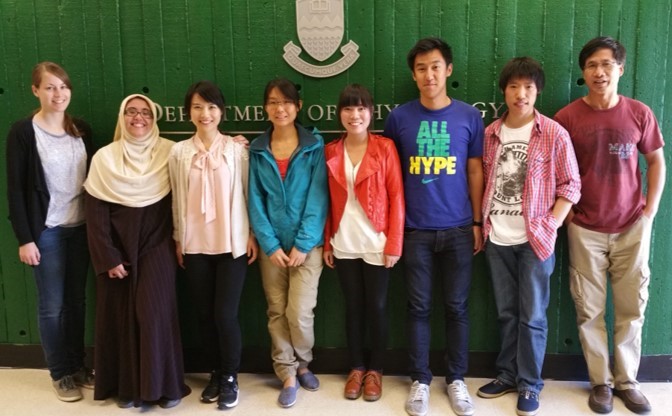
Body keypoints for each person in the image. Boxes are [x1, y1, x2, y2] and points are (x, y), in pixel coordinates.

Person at [555, 36, 666, 415]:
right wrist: (567, 214)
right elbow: (554, 168)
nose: (599, 72)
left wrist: (649, 212)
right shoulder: (567, 118)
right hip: (584, 227)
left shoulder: (639, 113)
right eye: (591, 66)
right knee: (589, 309)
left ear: (620, 69)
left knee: (632, 306)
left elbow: (656, 161)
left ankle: (628, 381)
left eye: (606, 65)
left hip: (632, 225)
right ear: (583, 73)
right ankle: (600, 383)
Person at [383, 37, 484, 416]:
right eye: (422, 68)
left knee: (457, 307)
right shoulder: (399, 118)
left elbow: (475, 170)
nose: (429, 74)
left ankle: (456, 379)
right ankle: (420, 380)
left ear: (449, 70)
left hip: (459, 229)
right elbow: (389, 174)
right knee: (418, 307)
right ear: (414, 74)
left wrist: (476, 221)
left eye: (436, 66)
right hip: (415, 231)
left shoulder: (469, 116)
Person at [476, 57, 581, 416]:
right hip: (497, 238)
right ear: (504, 91)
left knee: (533, 315)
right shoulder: (490, 133)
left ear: (537, 92)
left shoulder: (553, 133)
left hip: (535, 239)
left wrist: (551, 223)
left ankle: (530, 384)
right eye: (514, 87)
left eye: (528, 88)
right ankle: (506, 374)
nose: (521, 94)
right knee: (506, 313)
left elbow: (571, 184)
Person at [84, 94, 190, 409]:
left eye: (145, 112)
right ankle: (128, 389)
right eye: (131, 112)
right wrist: (108, 256)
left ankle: (163, 387)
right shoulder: (104, 158)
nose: (138, 118)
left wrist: (236, 142)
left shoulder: (170, 152)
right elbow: (96, 213)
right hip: (116, 247)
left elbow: (201, 155)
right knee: (120, 316)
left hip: (157, 243)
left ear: (154, 118)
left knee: (152, 313)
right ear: (122, 117)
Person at [5, 62, 94, 402]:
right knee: (52, 306)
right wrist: (25, 238)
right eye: (50, 87)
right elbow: (15, 190)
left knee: (76, 301)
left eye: (62, 87)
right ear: (36, 91)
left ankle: (78, 365)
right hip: (47, 232)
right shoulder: (24, 133)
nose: (58, 94)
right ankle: (60, 373)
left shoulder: (80, 129)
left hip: (80, 228)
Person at [168, 81, 257, 410]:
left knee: (225, 314)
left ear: (221, 111)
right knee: (204, 315)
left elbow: (248, 194)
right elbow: (176, 198)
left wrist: (250, 234)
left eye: (211, 107)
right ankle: (215, 373)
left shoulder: (237, 150)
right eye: (197, 107)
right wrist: (179, 238)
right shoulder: (178, 152)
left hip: (230, 243)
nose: (205, 114)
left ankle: (231, 376)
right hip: (194, 245)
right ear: (188, 112)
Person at [248, 77, 328, 408]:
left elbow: (318, 198)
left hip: (307, 247)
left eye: (286, 102)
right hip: (273, 250)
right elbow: (255, 200)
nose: (279, 108)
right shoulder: (256, 149)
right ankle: (287, 372)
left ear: (298, 107)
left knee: (300, 312)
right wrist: (269, 244)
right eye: (272, 102)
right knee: (276, 310)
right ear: (265, 108)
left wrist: (303, 244)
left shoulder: (313, 146)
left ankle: (304, 360)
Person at [323, 84, 405, 402]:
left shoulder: (384, 148)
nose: (354, 115)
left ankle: (376, 370)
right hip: (343, 241)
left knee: (378, 307)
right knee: (353, 308)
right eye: (347, 108)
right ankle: (356, 368)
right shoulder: (331, 150)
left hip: (377, 241)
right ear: (339, 113)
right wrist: (328, 242)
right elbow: (326, 200)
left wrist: (394, 243)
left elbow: (397, 196)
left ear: (370, 113)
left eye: (360, 109)